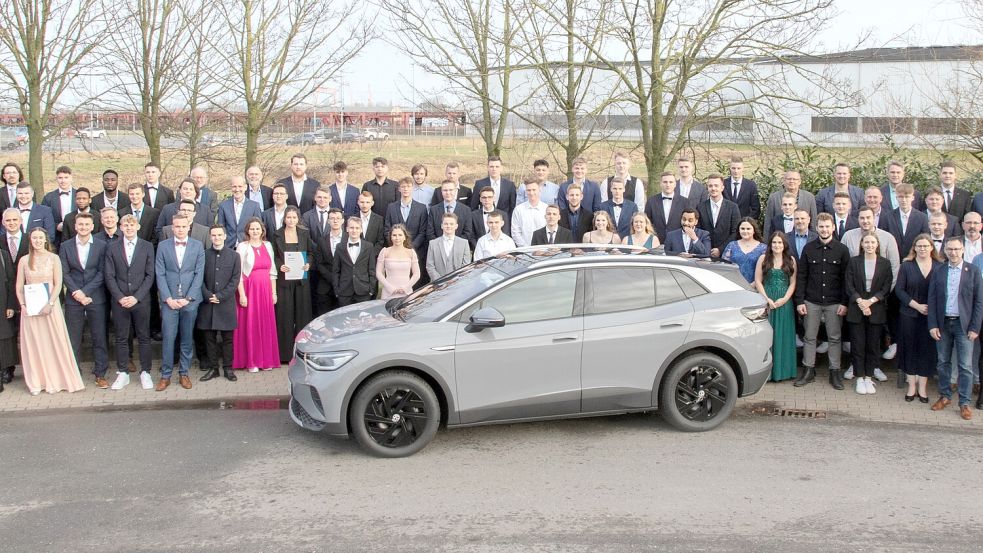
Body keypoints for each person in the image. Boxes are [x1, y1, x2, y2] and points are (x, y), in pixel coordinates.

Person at [15, 228, 84, 395]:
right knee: (36, 345)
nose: (37, 241)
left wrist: (50, 303)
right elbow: (18, 287)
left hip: (50, 309)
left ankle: (58, 379)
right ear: (30, 240)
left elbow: (58, 283)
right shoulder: (24, 260)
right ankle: (38, 381)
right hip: (31, 311)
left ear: (45, 239)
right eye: (34, 238)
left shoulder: (54, 258)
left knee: (54, 343)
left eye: (40, 238)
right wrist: (23, 305)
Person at [928, 236, 983, 420]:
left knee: (965, 366)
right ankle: (945, 396)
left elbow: (979, 302)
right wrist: (933, 324)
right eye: (949, 249)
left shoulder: (973, 271)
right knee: (943, 362)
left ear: (963, 250)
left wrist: (975, 327)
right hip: (943, 323)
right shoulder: (939, 270)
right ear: (945, 250)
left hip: (964, 325)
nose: (953, 253)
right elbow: (933, 299)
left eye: (956, 249)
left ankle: (964, 403)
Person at [794, 213, 850, 389]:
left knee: (834, 338)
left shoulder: (842, 250)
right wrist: (800, 301)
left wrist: (844, 302)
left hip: (834, 302)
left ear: (833, 227)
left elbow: (846, 279)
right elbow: (802, 276)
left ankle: (835, 372)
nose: (824, 229)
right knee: (809, 337)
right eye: (821, 226)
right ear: (816, 228)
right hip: (812, 300)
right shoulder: (809, 249)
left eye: (827, 226)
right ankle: (808, 370)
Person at [104, 214, 156, 390]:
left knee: (144, 336)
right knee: (121, 337)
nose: (129, 228)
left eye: (132, 225)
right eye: (125, 225)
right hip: (120, 300)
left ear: (138, 227)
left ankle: (146, 372)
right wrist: (119, 297)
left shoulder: (147, 246)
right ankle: (123, 372)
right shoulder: (112, 248)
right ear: (120, 227)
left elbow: (150, 275)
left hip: (140, 300)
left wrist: (136, 296)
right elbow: (109, 275)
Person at [59, 212, 110, 388]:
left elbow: (102, 272)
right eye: (80, 224)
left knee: (99, 337)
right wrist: (77, 293)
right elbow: (64, 272)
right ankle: (75, 373)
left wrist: (85, 292)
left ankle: (100, 373)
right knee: (74, 338)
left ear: (92, 226)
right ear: (75, 226)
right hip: (74, 299)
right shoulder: (65, 246)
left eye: (87, 224)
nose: (83, 227)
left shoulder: (101, 246)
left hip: (95, 298)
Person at [155, 213, 205, 391]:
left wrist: (188, 298)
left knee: (186, 338)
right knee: (168, 338)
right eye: (177, 226)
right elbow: (159, 273)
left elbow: (199, 274)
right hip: (169, 301)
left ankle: (184, 373)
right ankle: (165, 375)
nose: (180, 229)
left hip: (189, 301)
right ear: (172, 227)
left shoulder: (198, 246)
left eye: (183, 226)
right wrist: (167, 298)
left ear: (188, 227)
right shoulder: (162, 246)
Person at [896, 234, 942, 403]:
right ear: (914, 248)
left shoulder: (939, 266)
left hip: (931, 318)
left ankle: (922, 388)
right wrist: (916, 306)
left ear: (932, 247)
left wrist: (930, 309)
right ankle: (911, 386)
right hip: (909, 314)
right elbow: (899, 290)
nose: (922, 249)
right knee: (909, 349)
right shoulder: (906, 266)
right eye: (919, 246)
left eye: (926, 246)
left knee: (927, 351)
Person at [845, 232, 893, 394]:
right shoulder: (853, 262)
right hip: (856, 309)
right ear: (862, 244)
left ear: (877, 245)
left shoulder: (885, 264)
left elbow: (886, 287)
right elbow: (849, 285)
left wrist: (871, 302)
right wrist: (860, 302)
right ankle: (859, 378)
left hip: (876, 309)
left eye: (873, 242)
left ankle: (869, 378)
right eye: (867, 242)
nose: (870, 245)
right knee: (858, 345)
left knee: (873, 345)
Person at [233, 218, 280, 372]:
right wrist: (242, 294)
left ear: (262, 231)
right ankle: (252, 361)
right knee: (251, 324)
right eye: (252, 229)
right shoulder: (242, 246)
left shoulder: (268, 245)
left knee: (265, 323)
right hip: (249, 289)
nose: (255, 231)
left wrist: (273, 293)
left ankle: (266, 361)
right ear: (247, 231)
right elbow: (238, 272)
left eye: (257, 229)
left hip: (265, 290)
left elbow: (273, 271)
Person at [197, 225, 242, 382]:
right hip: (207, 303)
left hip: (225, 303)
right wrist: (208, 295)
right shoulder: (203, 255)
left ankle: (228, 368)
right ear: (210, 237)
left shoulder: (234, 256)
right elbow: (199, 279)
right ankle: (213, 368)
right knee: (209, 338)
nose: (216, 238)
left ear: (225, 236)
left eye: (219, 235)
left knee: (227, 339)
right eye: (213, 235)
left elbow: (235, 280)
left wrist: (221, 296)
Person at [754, 232, 797, 382]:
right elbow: (758, 280)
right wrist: (767, 299)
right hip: (767, 299)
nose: (777, 245)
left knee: (783, 335)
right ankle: (766, 373)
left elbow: (792, 282)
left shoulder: (790, 260)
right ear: (770, 245)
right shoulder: (763, 259)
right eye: (774, 243)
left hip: (784, 302)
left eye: (779, 243)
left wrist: (784, 299)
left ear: (784, 244)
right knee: (767, 336)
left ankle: (783, 371)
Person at [273, 207, 313, 364]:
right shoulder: (277, 234)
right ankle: (284, 354)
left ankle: (302, 353)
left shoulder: (304, 233)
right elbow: (274, 255)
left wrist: (308, 264)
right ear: (284, 219)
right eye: (288, 217)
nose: (291, 220)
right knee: (285, 316)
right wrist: (279, 265)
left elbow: (310, 253)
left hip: (301, 281)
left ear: (298, 219)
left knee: (302, 316)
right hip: (284, 281)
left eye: (294, 217)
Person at [332, 217, 377, 307]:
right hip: (344, 291)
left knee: (363, 318)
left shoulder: (369, 246)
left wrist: (371, 290)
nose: (354, 230)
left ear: (361, 230)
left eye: (357, 228)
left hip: (363, 291)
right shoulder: (340, 247)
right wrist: (337, 290)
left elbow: (372, 269)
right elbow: (336, 270)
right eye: (351, 228)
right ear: (347, 229)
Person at [696, 173, 740, 258]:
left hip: (727, 253)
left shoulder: (733, 207)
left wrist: (720, 249)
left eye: (716, 186)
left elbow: (735, 232)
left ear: (722, 188)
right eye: (710, 186)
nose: (713, 188)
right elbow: (698, 230)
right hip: (705, 253)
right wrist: (707, 248)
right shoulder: (700, 207)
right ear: (707, 188)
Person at [763, 170, 817, 236]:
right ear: (784, 181)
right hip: (779, 242)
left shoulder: (809, 197)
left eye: (795, 179)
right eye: (789, 179)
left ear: (799, 181)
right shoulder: (774, 198)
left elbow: (813, 222)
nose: (792, 181)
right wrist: (766, 243)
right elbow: (768, 223)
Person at [313, 208, 345, 316]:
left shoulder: (349, 239)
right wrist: (332, 278)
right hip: (325, 286)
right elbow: (319, 263)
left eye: (338, 218)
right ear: (328, 221)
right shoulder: (321, 240)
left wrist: (340, 278)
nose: (335, 221)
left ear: (343, 221)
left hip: (344, 286)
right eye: (332, 218)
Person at [377, 224, 421, 300]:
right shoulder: (385, 251)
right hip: (388, 293)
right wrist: (389, 288)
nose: (397, 238)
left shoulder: (411, 252)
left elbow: (417, 274)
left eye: (400, 235)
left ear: (404, 237)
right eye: (394, 235)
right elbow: (378, 272)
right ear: (391, 237)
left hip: (406, 293)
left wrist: (406, 287)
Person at [217, 175, 262, 248]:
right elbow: (221, 228)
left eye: (240, 186)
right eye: (234, 186)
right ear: (231, 188)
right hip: (228, 247)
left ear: (245, 187)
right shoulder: (223, 206)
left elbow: (258, 228)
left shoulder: (254, 206)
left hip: (248, 246)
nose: (237, 189)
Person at [426, 213, 471, 280]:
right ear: (442, 226)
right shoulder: (433, 244)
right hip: (438, 285)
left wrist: (456, 280)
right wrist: (440, 282)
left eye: (451, 224)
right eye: (446, 224)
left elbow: (466, 265)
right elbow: (430, 266)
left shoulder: (464, 243)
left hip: (458, 283)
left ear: (456, 226)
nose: (448, 226)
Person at [644, 172, 687, 243]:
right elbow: (647, 223)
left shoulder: (685, 202)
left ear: (675, 184)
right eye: (665, 182)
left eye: (671, 182)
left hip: (678, 242)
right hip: (656, 241)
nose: (668, 185)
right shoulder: (651, 201)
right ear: (660, 183)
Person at [722, 218, 767, 283]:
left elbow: (766, 270)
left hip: (755, 287)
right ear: (739, 230)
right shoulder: (731, 245)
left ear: (754, 230)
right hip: (734, 285)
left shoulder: (763, 248)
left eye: (748, 229)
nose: (745, 231)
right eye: (742, 228)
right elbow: (724, 267)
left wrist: (753, 285)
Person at [41, 165, 76, 245]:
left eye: (66, 177)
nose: (63, 181)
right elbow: (44, 217)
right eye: (60, 178)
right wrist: (56, 226)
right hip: (56, 237)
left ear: (71, 178)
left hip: (76, 235)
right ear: (56, 179)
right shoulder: (49, 197)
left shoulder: (79, 195)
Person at [511, 180, 548, 247]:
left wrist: (542, 248)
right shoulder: (518, 210)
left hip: (544, 250)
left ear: (540, 190)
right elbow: (515, 232)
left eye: (534, 190)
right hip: (524, 251)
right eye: (528, 190)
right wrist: (526, 248)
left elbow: (550, 230)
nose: (531, 193)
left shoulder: (546, 209)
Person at [0, 244, 15, 394]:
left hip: (3, 302)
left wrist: (11, 305)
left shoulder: (3, 255)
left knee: (4, 338)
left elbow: (11, 280)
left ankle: (4, 369)